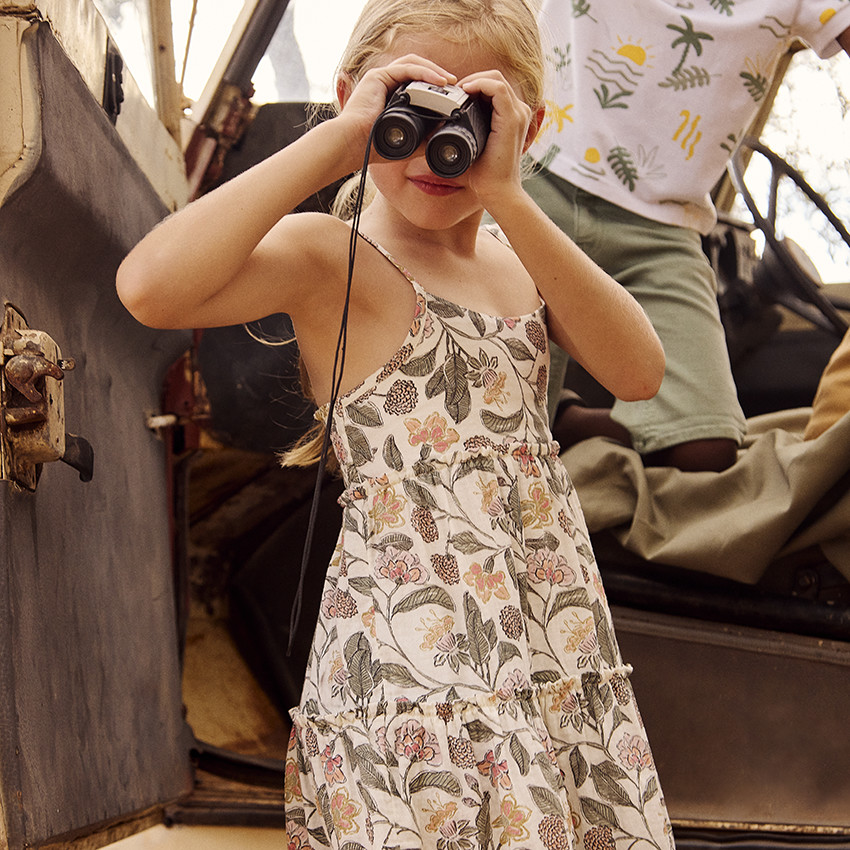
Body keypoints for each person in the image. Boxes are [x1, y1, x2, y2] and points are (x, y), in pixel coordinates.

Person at [116, 1, 674, 847]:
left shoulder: (520, 261)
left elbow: (639, 372)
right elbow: (150, 287)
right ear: (357, 100)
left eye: (473, 120)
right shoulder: (330, 255)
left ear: (523, 130)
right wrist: (339, 139)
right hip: (416, 652)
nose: (435, 150)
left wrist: (512, 197)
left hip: (543, 637)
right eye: (409, 112)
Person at [526, 0, 850, 473]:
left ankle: (567, 420)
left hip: (662, 226)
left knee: (706, 451)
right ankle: (544, 421)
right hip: (534, 178)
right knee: (502, 407)